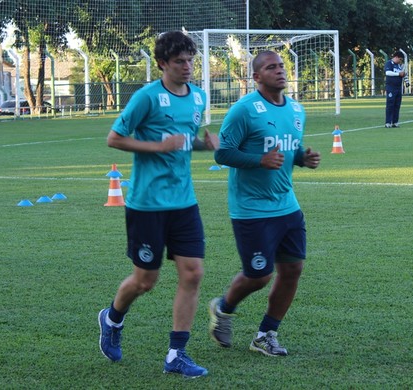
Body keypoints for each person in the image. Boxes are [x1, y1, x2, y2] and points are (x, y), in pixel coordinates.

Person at [97, 31, 219, 379]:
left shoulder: (198, 97)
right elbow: (114, 138)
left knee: (193, 273)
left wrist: (201, 144)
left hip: (184, 201)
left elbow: (182, 140)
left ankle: (176, 354)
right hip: (147, 203)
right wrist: (157, 147)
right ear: (162, 64)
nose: (188, 67)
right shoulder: (146, 98)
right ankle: (112, 318)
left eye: (191, 60)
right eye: (180, 61)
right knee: (145, 281)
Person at [208, 50, 321, 357]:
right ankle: (223, 308)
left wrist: (302, 159)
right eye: (271, 68)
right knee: (259, 276)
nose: (280, 71)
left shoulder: (296, 110)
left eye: (282, 66)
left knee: (293, 269)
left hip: (287, 205)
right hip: (251, 209)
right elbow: (223, 153)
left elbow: (289, 149)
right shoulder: (244, 110)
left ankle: (266, 334)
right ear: (257, 77)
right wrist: (259, 160)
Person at [384, 51, 406, 128]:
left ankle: (395, 122)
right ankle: (388, 122)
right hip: (391, 87)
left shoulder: (398, 66)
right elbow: (387, 73)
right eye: (400, 59)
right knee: (390, 105)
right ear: (396, 57)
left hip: (398, 88)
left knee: (397, 105)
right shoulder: (389, 63)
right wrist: (398, 74)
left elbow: (401, 74)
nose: (400, 61)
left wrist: (404, 77)